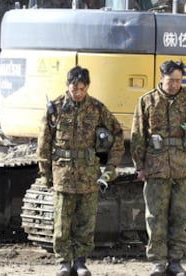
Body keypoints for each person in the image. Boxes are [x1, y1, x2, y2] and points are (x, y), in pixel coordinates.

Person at [130, 60, 186, 276]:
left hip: (183, 168)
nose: (174, 85)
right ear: (161, 78)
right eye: (171, 81)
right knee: (155, 216)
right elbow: (138, 136)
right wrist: (139, 166)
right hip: (156, 167)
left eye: (179, 80)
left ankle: (176, 261)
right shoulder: (147, 101)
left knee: (180, 216)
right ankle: (158, 262)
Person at [37, 66, 125, 276]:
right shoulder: (55, 109)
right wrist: (46, 174)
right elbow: (44, 143)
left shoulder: (97, 108)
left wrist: (111, 167)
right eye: (74, 88)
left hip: (88, 176)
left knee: (85, 223)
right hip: (62, 175)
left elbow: (118, 134)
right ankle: (63, 262)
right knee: (62, 223)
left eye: (82, 89)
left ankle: (80, 261)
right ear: (67, 86)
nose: (78, 93)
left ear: (87, 87)